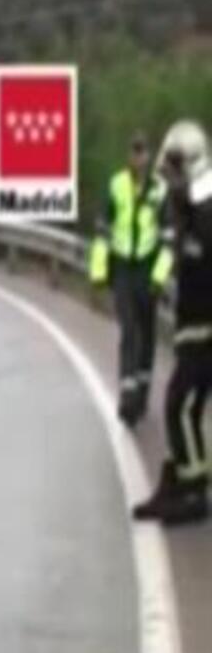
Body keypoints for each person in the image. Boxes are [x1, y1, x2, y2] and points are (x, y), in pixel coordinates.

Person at [133, 119, 212, 526]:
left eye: (177, 168)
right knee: (188, 406)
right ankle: (182, 481)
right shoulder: (191, 209)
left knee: (180, 405)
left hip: (205, 326)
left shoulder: (207, 212)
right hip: (192, 323)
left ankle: (194, 490)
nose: (172, 178)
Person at [89, 132, 174, 425]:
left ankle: (142, 392)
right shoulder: (117, 185)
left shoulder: (160, 191)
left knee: (147, 335)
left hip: (148, 271)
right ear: (129, 155)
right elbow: (102, 229)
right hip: (124, 268)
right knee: (129, 331)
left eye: (143, 152)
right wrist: (99, 273)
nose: (138, 157)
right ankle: (127, 397)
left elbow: (168, 240)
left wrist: (160, 277)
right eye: (134, 152)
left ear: (149, 157)